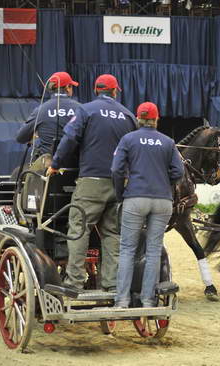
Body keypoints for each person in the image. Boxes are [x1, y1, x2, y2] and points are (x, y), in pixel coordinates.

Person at [47, 74, 137, 292]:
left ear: (96, 90)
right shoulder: (127, 115)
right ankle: (111, 283)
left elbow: (70, 138)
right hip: (119, 184)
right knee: (112, 233)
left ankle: (75, 282)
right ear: (115, 92)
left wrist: (56, 164)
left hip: (91, 182)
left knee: (79, 228)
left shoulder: (86, 110)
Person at [111, 102, 184, 308]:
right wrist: (162, 180)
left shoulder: (128, 139)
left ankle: (123, 300)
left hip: (135, 197)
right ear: (156, 119)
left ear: (138, 119)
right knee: (153, 250)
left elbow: (116, 169)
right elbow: (179, 172)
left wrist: (120, 194)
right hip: (162, 201)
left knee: (127, 249)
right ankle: (148, 299)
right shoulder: (168, 142)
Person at [16, 71, 81, 171]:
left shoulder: (40, 110)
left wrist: (33, 135)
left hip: (47, 170)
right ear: (68, 87)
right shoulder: (81, 109)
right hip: (77, 169)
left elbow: (20, 138)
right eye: (71, 87)